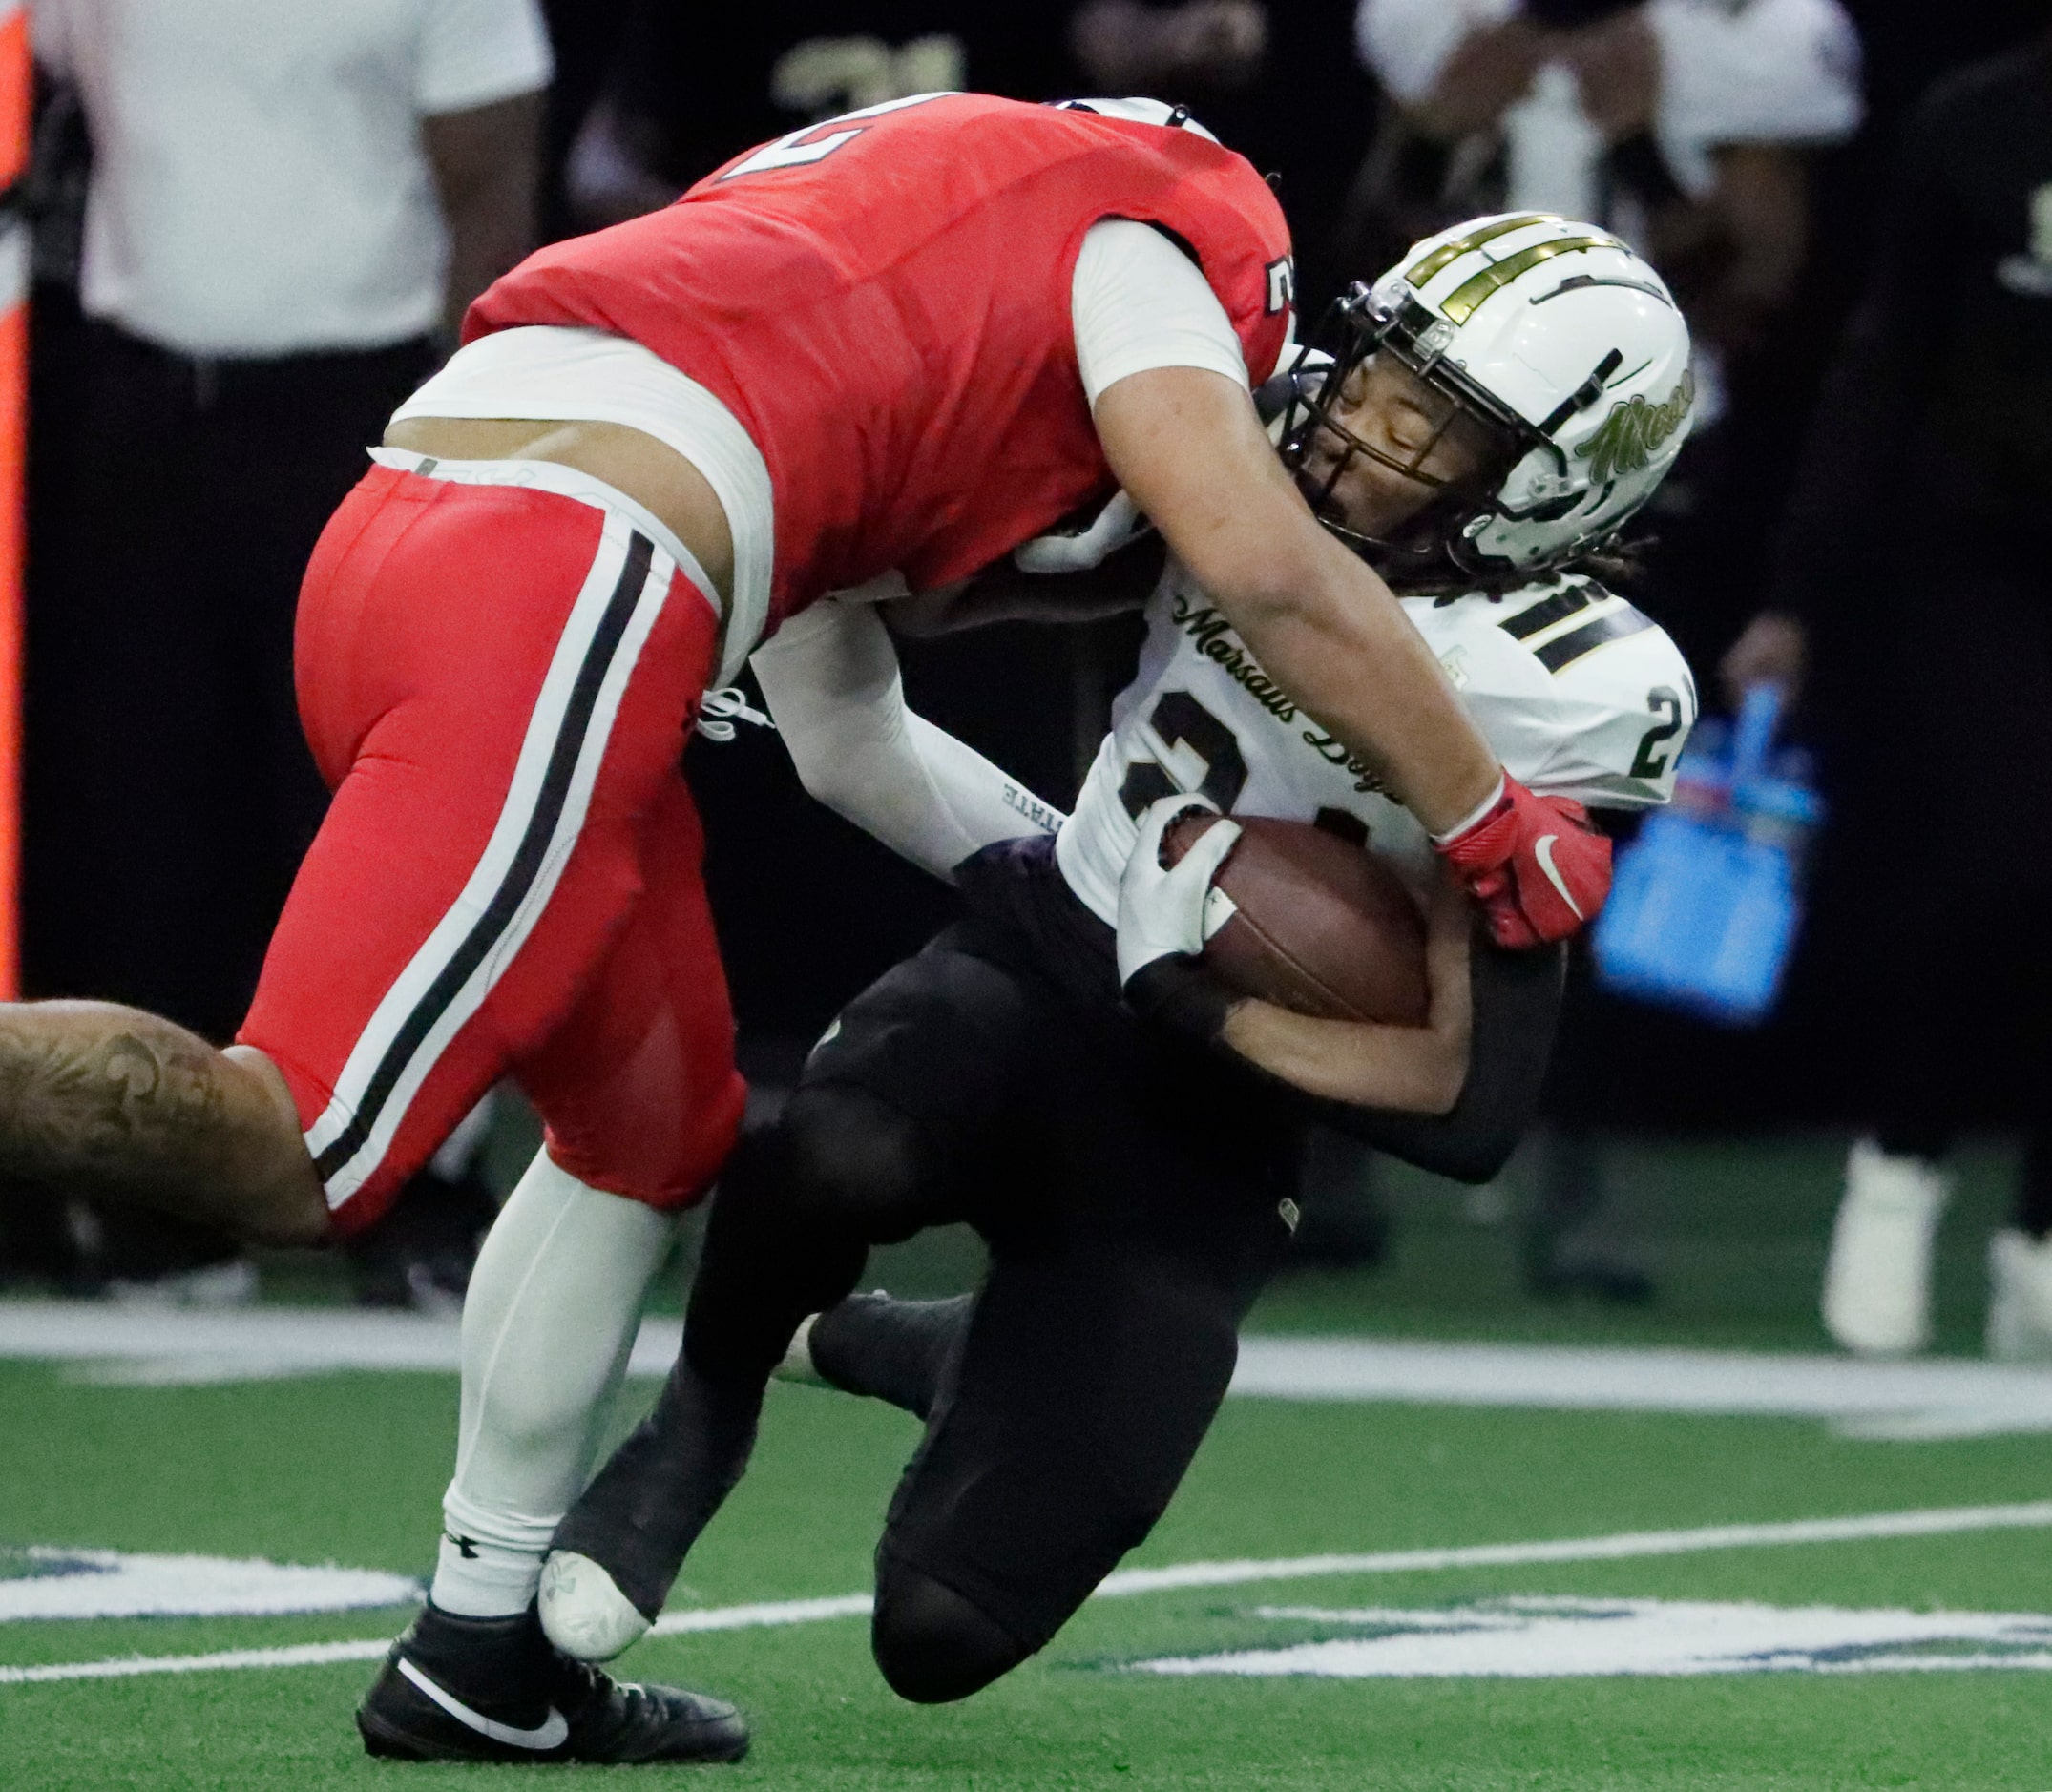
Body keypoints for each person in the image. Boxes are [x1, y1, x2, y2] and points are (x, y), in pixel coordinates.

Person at [0, 99, 1602, 1765]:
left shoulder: (862, 291)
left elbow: (849, 740)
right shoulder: (1160, 246)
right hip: (572, 571)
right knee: (301, 1150)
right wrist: (1487, 815)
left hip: (445, 527)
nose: (1041, 560)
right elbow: (1264, 564)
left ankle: (477, 1649)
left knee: (652, 1127)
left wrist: (1121, 908)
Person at [537, 216, 1699, 1702]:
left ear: (1549, 488)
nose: (1352, 421)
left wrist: (1203, 1007)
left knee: (941, 1634)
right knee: (835, 1150)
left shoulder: (1570, 692)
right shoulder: (1249, 442)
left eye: (1424, 420)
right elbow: (952, 591)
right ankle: (696, 1423)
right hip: (1046, 947)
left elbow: (1467, 1115)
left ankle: (957, 1355)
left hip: (1219, 1104)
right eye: (1373, 375)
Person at [23, 0, 551, 1302]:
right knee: (148, 807)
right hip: (140, 402)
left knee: (379, 804)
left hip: (362, 411)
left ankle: (410, 1186)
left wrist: (476, 429)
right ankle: (151, 1199)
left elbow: (490, 185)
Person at [1722, 30, 2052, 1362]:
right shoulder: (1975, 121)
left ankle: (2037, 1231)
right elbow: (1883, 355)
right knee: (2003, 867)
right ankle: (1898, 1164)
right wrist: (1796, 592)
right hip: (1977, 549)